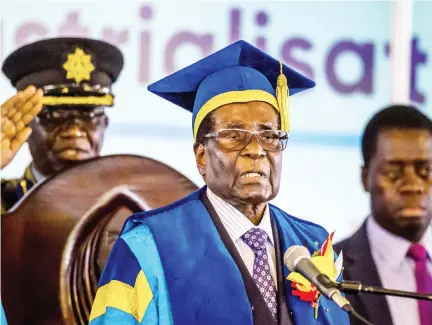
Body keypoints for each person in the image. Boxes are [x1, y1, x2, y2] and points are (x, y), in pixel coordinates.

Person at [88, 40, 349, 325]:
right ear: (201, 156)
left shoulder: (311, 245)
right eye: (234, 136)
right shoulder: (148, 245)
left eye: (270, 136)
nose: (256, 150)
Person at [1, 37, 124, 212]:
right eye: (55, 114)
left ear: (105, 124)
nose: (74, 131)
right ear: (25, 123)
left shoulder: (127, 211)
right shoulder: (5, 205)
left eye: (88, 114)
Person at [335, 105, 432, 325]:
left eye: (426, 171)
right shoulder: (330, 272)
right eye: (393, 173)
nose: (413, 186)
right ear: (365, 177)